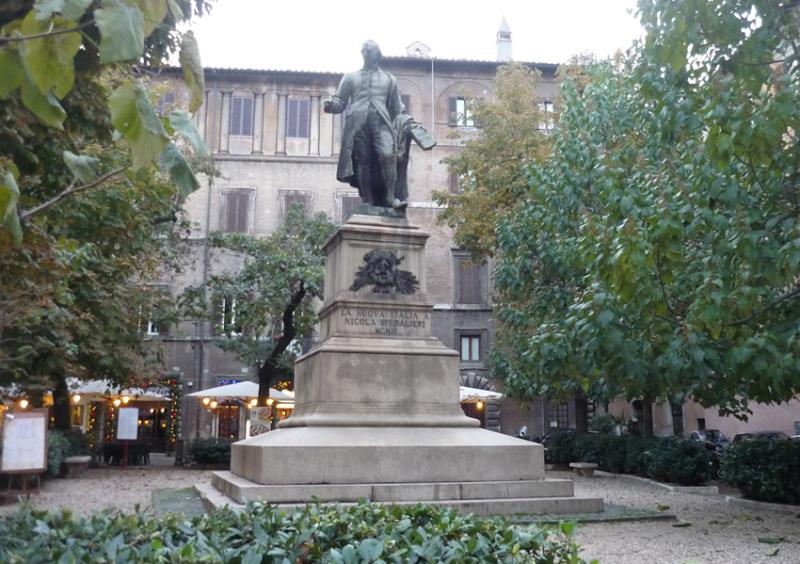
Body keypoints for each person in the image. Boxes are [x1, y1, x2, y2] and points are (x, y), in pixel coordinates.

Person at [323, 40, 433, 209]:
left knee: (388, 155)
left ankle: (390, 197)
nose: (365, 54)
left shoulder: (389, 79)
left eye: (368, 51)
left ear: (377, 54)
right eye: (363, 51)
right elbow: (340, 101)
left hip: (381, 122)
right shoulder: (350, 77)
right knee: (362, 161)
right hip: (357, 123)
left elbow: (397, 109)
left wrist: (410, 123)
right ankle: (368, 200)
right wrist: (330, 105)